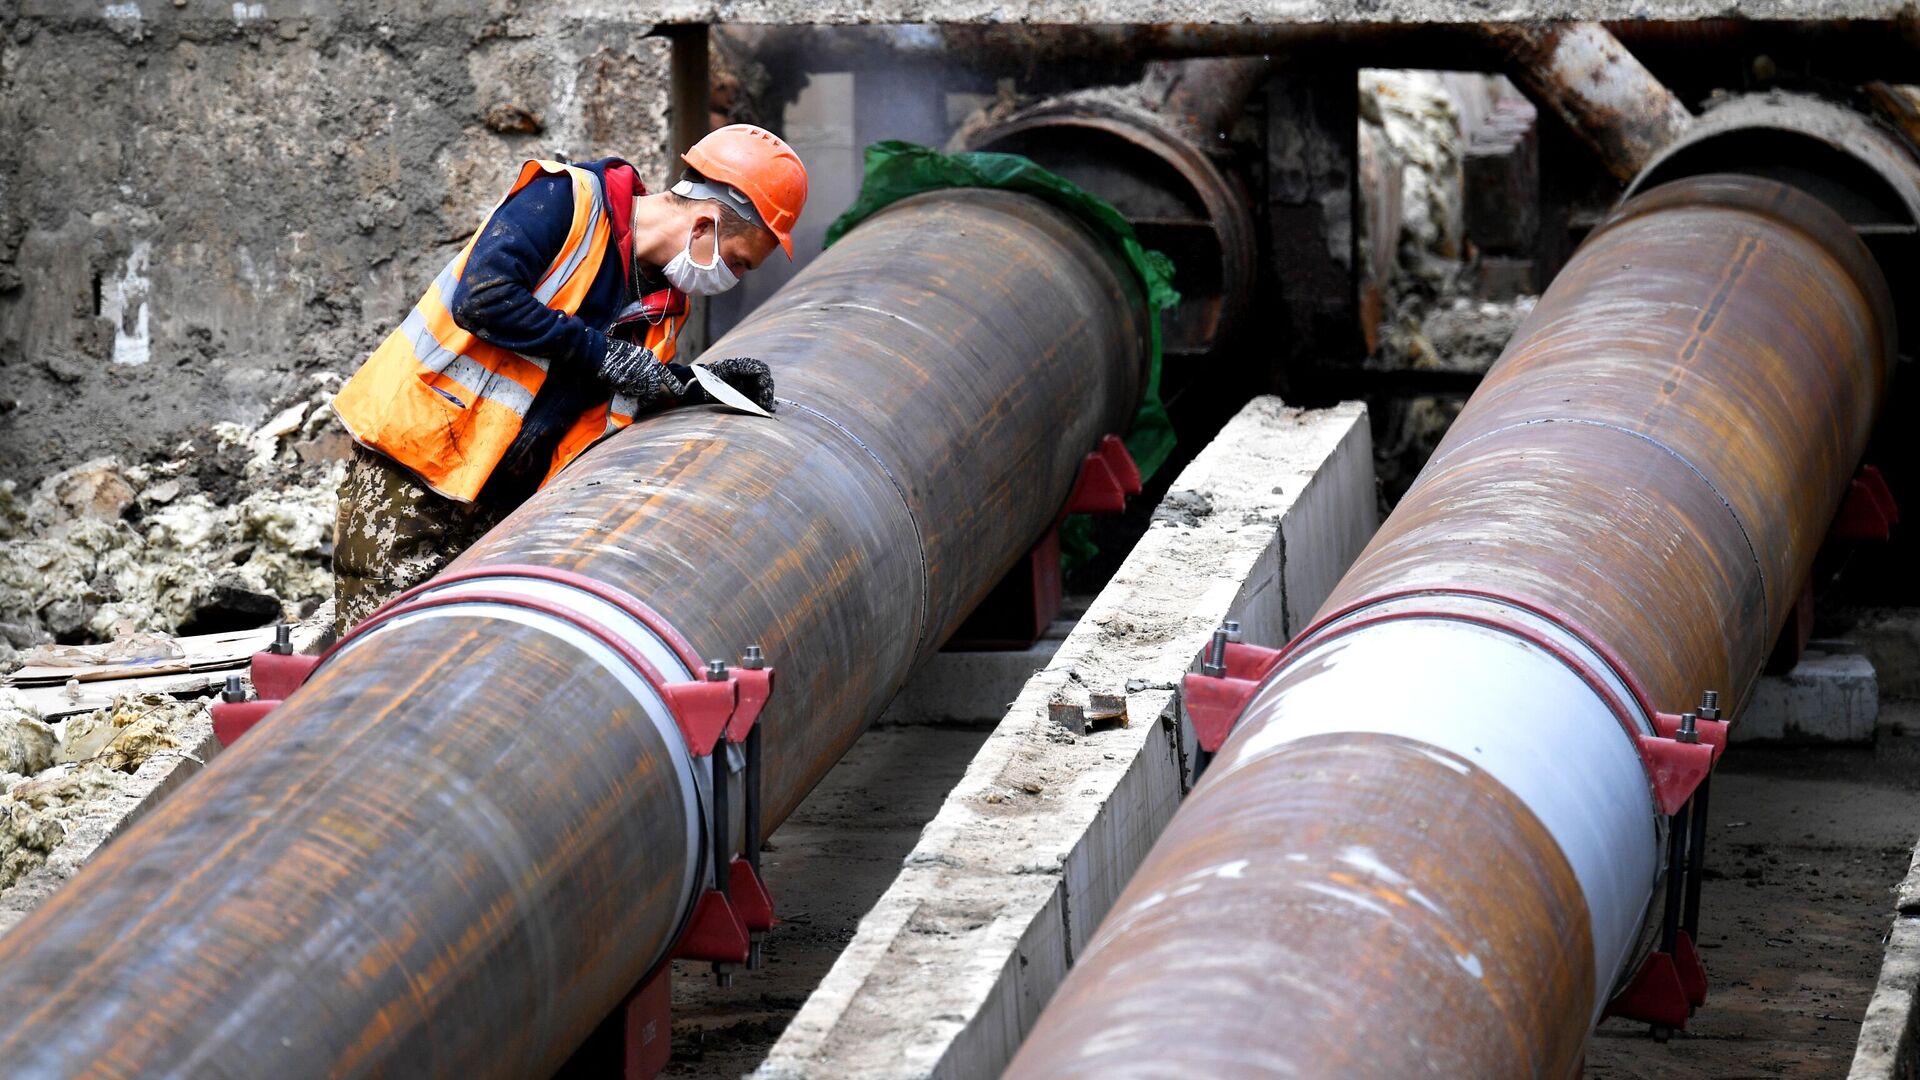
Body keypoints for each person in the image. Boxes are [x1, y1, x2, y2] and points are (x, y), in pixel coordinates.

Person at [328, 124, 809, 634]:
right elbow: (484, 299)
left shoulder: (663, 303)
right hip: (412, 480)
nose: (731, 278)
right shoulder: (565, 201)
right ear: (704, 226)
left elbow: (617, 392)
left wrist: (696, 385)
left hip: (503, 512)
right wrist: (602, 354)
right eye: (737, 261)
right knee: (378, 659)